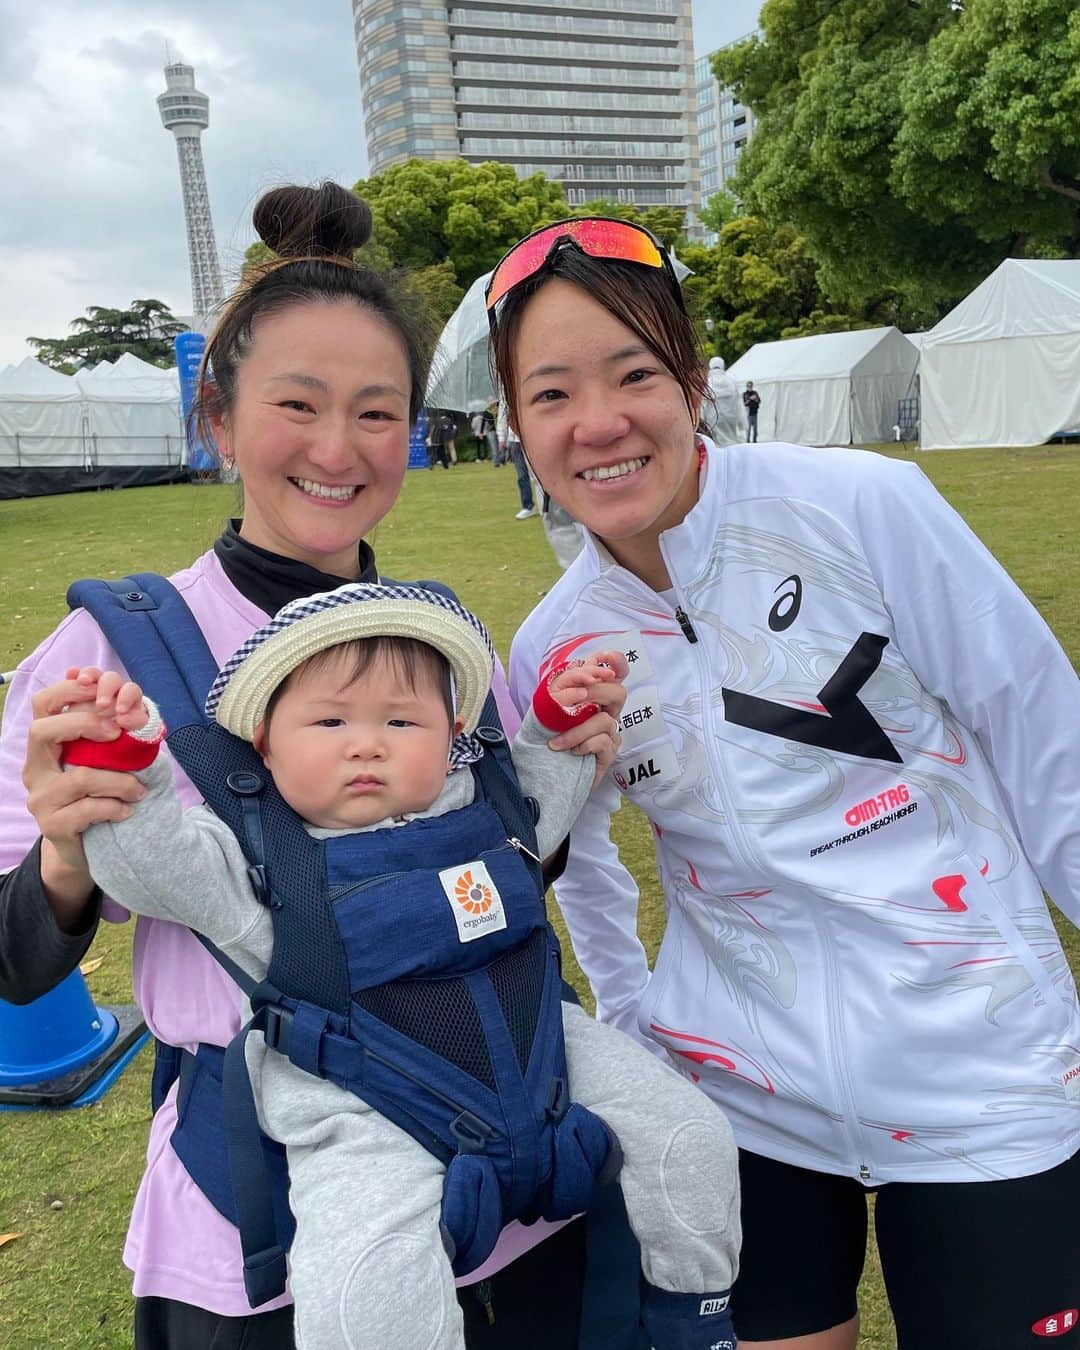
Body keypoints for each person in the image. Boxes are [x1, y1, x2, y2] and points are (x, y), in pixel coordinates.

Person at [0, 183, 640, 1350]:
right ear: (220, 418)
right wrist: (62, 855)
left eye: (378, 413)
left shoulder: (446, 640)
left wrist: (562, 766)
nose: (338, 451)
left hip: (514, 1182)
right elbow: (11, 962)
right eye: (297, 405)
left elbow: (500, 883)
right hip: (266, 1226)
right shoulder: (107, 655)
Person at [487, 214, 1080, 1350]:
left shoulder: (862, 508)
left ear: (694, 380)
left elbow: (1040, 731)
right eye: (551, 394)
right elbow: (582, 850)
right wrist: (637, 1020)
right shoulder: (552, 646)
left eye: (635, 375)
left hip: (983, 1070)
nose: (599, 424)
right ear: (517, 423)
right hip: (740, 1097)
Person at [59, 585, 740, 1350]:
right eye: (329, 721)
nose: (367, 744)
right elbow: (151, 868)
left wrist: (556, 725)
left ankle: (694, 1317)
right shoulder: (253, 855)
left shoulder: (485, 804)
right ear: (263, 741)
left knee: (691, 1137)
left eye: (400, 721)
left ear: (451, 735)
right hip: (362, 1103)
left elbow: (547, 792)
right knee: (364, 1280)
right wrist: (130, 770)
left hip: (545, 1053)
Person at [496, 397, 536, 519]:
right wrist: (502, 438)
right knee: (522, 475)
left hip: (532, 437)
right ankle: (528, 505)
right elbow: (502, 415)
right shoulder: (505, 392)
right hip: (515, 439)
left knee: (539, 475)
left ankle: (549, 505)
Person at [702, 356, 743, 446]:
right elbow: (738, 402)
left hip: (713, 418)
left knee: (716, 444)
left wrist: (702, 419)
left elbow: (703, 404)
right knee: (731, 440)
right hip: (731, 418)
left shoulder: (708, 383)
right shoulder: (731, 381)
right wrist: (741, 422)